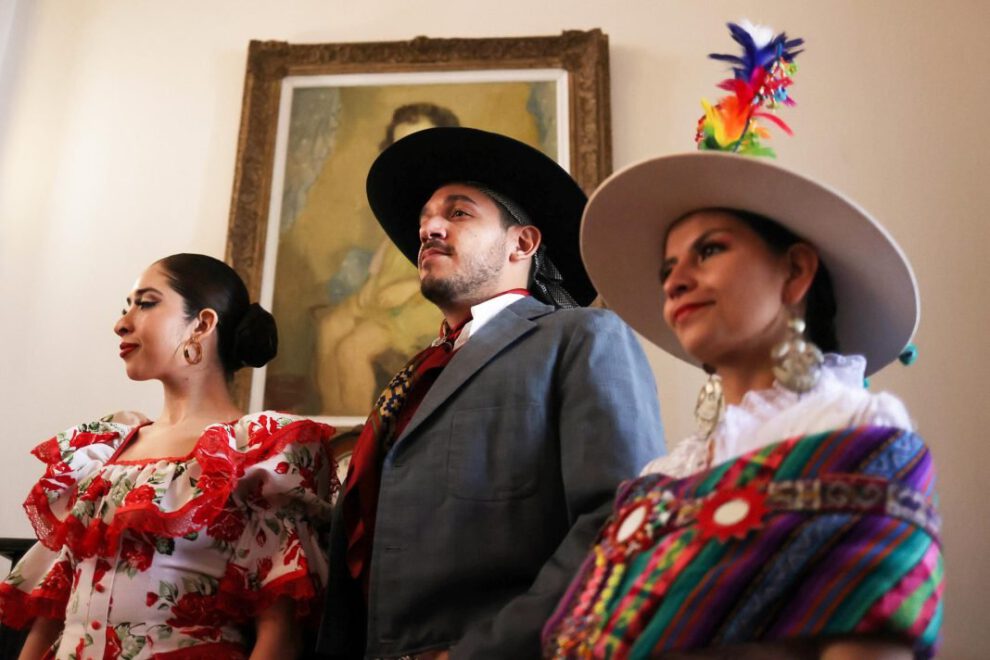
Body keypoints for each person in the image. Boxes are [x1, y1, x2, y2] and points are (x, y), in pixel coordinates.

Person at [544, 22, 941, 659]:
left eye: (709, 250)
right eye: (667, 268)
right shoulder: (663, 477)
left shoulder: (858, 431)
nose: (676, 280)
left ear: (795, 271)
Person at [317, 127, 665, 658]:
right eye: (425, 218)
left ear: (522, 243)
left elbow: (618, 521)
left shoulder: (582, 337)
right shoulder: (410, 380)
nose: (429, 228)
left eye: (458, 212)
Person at [0, 254, 337, 659]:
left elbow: (280, 629)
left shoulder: (261, 449)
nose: (121, 323)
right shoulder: (103, 449)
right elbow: (52, 613)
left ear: (203, 324)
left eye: (145, 303)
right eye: (126, 306)